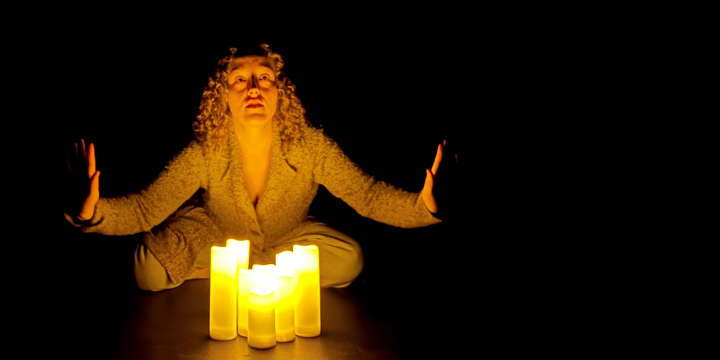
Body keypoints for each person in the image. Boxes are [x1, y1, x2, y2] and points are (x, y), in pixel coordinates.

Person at [65, 44, 450, 291]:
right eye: (239, 79)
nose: (252, 87)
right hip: (214, 232)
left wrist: (426, 207)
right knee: (146, 271)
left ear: (279, 91)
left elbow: (368, 196)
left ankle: (236, 274)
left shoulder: (311, 145)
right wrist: (91, 213)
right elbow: (146, 208)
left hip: (286, 236)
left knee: (350, 259)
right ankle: (254, 272)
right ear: (223, 97)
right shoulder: (205, 151)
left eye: (263, 77)